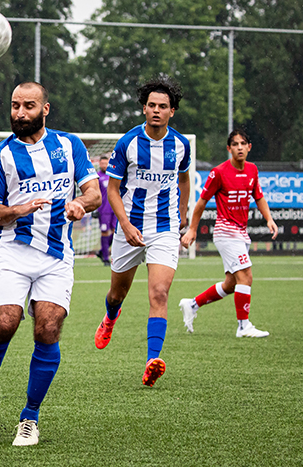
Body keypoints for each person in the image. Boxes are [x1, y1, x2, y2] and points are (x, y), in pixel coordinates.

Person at [0, 82, 101, 446]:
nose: (19, 113)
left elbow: (94, 192)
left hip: (57, 255)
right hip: (12, 251)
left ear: (45, 109)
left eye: (28, 106)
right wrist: (18, 209)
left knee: (47, 329)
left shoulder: (69, 145)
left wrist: (80, 204)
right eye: (14, 106)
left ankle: (30, 416)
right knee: (6, 322)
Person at [93, 75, 191, 388]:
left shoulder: (180, 145)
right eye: (151, 105)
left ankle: (152, 360)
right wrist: (125, 224)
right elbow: (113, 189)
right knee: (117, 293)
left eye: (163, 106)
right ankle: (110, 317)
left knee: (159, 293)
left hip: (164, 229)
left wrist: (183, 215)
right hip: (130, 226)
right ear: (144, 108)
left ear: (172, 111)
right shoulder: (128, 143)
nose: (157, 111)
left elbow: (185, 180)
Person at [179, 129, 277, 337]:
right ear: (229, 148)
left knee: (232, 284)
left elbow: (258, 197)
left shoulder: (252, 170)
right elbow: (201, 202)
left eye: (243, 144)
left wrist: (269, 219)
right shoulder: (219, 172)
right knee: (246, 277)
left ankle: (192, 305)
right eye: (235, 144)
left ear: (249, 147)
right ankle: (243, 326)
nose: (239, 147)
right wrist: (193, 230)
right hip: (225, 232)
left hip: (241, 233)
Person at [95, 155, 117, 266]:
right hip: (103, 209)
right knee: (105, 232)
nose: (104, 165)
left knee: (115, 232)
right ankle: (105, 258)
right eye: (102, 163)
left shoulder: (113, 175)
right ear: (99, 164)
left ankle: (102, 251)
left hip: (115, 208)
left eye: (106, 163)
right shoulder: (97, 177)